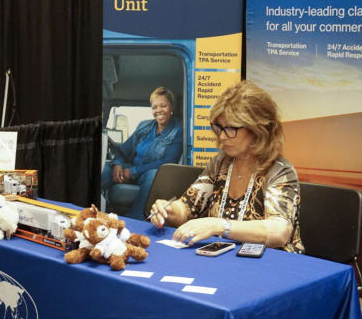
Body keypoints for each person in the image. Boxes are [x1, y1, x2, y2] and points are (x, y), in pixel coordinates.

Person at [149, 80, 304, 253]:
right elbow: (187, 207)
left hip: (274, 262)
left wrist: (220, 226)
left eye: (230, 128)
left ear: (257, 130)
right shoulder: (221, 163)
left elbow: (279, 232)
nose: (222, 136)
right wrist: (168, 210)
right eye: (219, 127)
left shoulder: (280, 170)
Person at [102, 87, 183, 219]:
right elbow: (123, 150)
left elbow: (168, 163)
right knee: (105, 169)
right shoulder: (144, 126)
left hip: (149, 176)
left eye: (163, 106)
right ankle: (84, 209)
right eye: (154, 107)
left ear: (171, 107)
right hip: (132, 169)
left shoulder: (178, 131)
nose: (158, 110)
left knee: (154, 174)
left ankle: (135, 220)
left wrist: (133, 172)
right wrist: (117, 165)